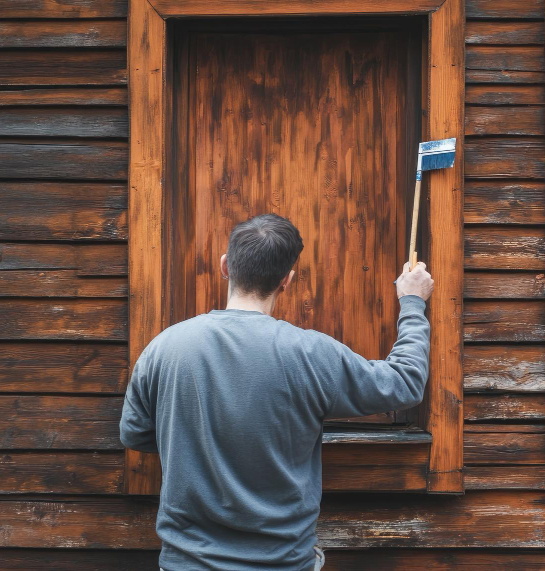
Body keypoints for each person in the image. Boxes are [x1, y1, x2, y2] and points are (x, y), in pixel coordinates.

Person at [119, 213, 433, 571]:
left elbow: (134, 434)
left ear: (225, 267)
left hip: (186, 562)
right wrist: (412, 302)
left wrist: (195, 438)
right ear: (287, 280)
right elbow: (405, 382)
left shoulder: (163, 347)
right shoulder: (312, 354)